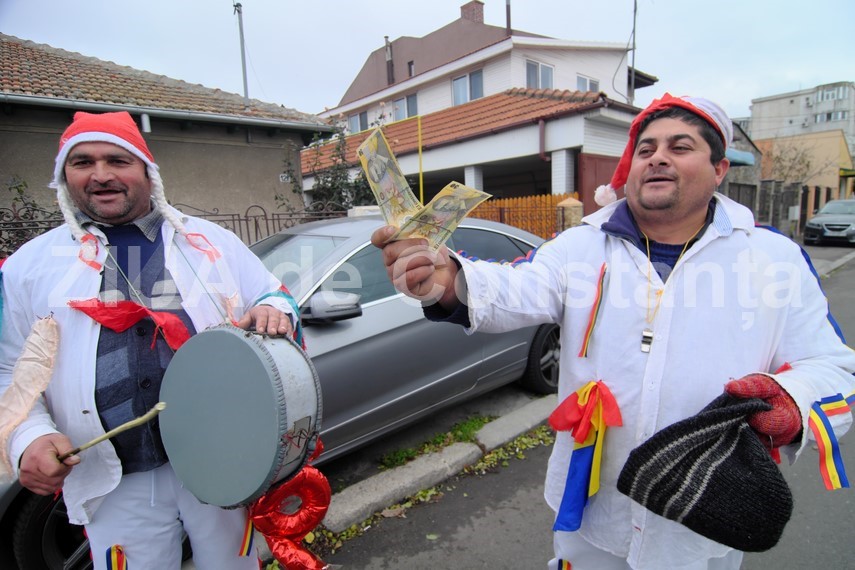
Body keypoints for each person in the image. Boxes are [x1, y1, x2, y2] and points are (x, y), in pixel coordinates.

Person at [371, 94, 855, 569]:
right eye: (646, 149)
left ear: (720, 169)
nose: (658, 157)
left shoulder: (773, 259)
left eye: (680, 147)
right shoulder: (581, 245)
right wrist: (445, 279)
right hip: (593, 513)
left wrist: (790, 401)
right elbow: (514, 288)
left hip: (701, 525)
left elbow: (833, 368)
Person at [0, 111, 301, 569]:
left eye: (117, 160)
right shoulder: (29, 267)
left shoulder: (210, 242)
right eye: (82, 162)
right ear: (64, 176)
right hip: (112, 474)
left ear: (147, 171)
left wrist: (272, 311)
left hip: (219, 454)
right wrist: (30, 436)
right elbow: (8, 370)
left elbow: (275, 296)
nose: (100, 175)